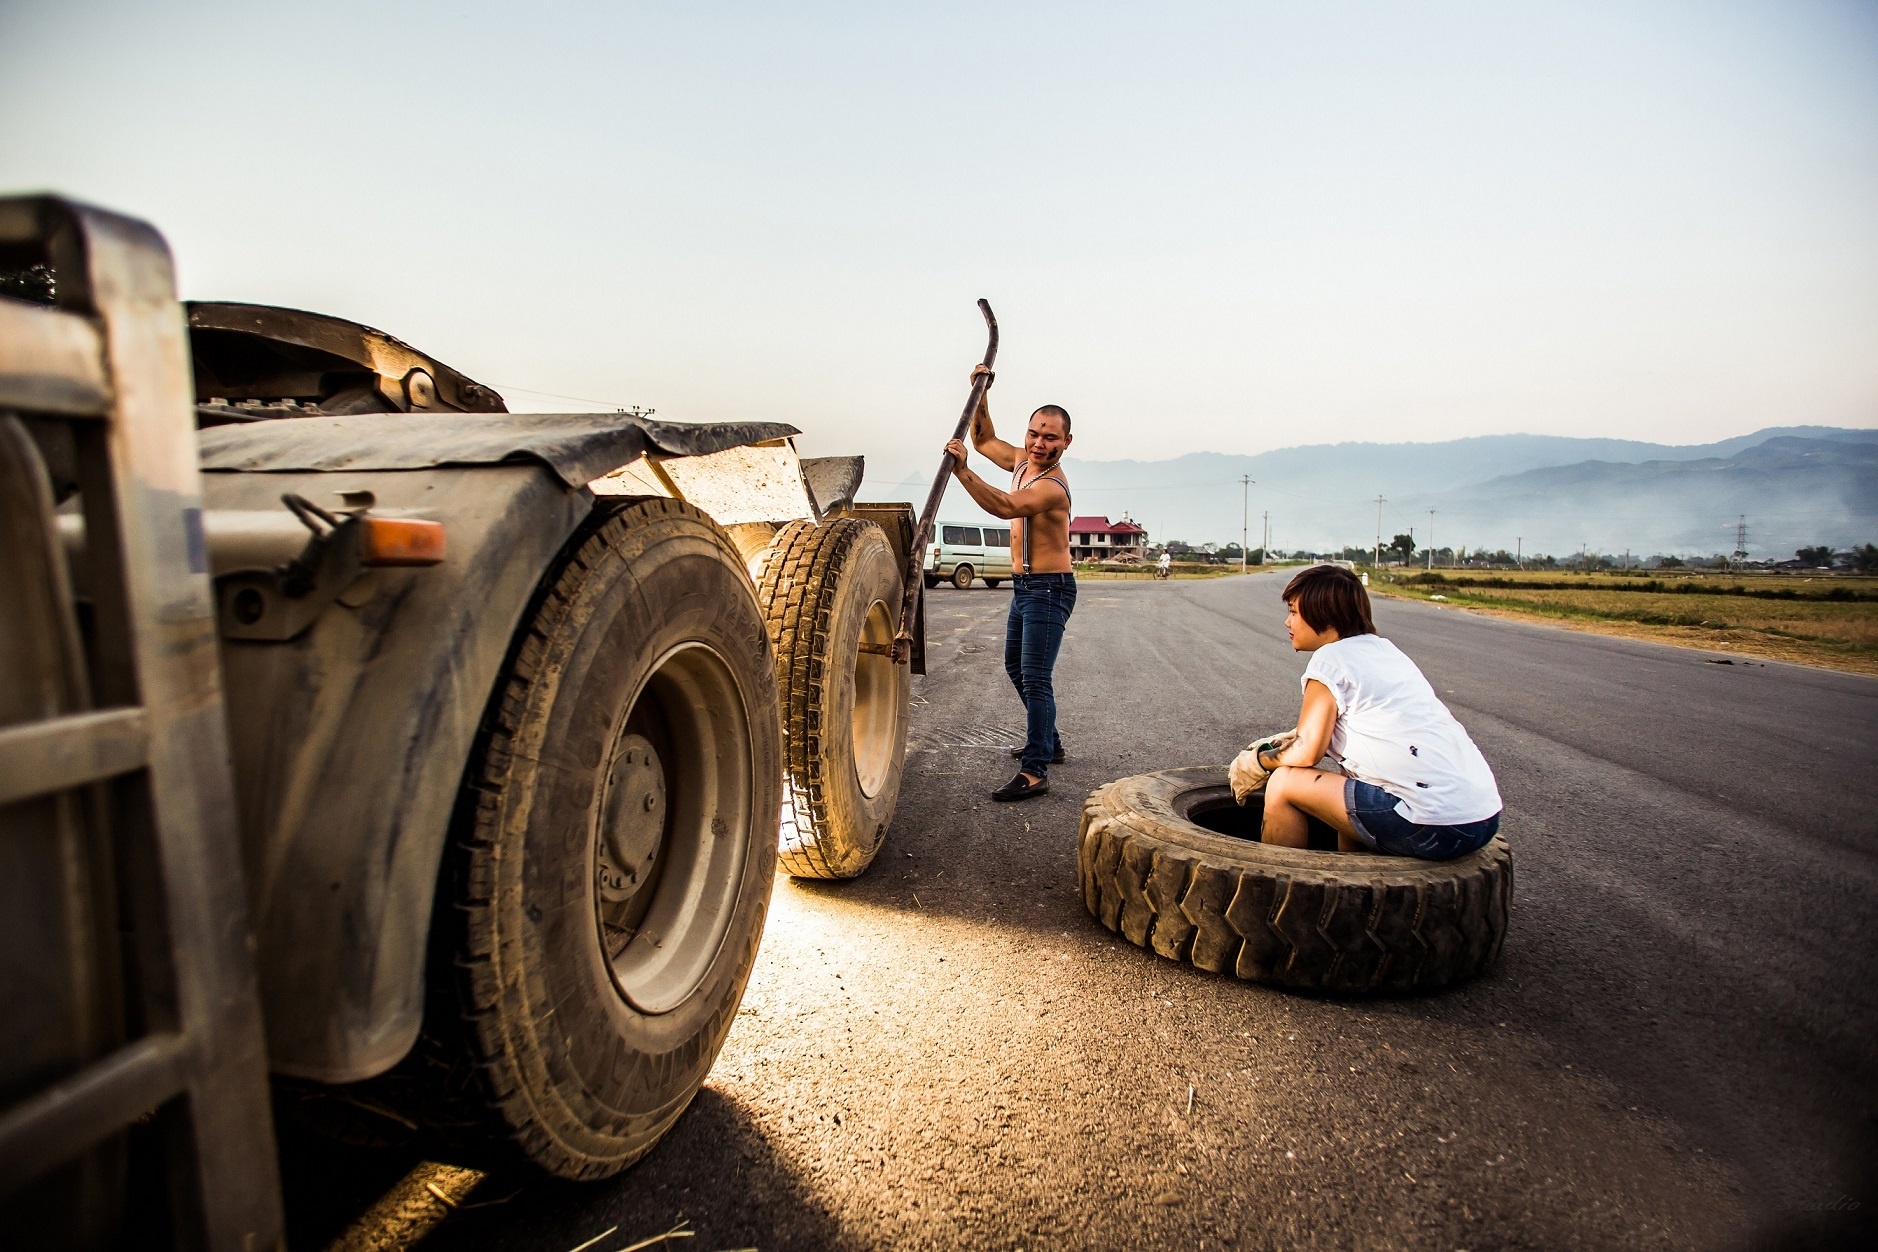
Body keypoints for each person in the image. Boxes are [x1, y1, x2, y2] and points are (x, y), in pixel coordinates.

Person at [1232, 563, 1502, 859]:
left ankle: (1280, 884)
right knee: (1354, 788)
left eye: (1294, 611)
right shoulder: (1386, 652)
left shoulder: (1330, 660)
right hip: (1482, 818)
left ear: (1324, 614)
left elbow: (1307, 753)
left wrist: (1258, 762)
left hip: (1429, 824)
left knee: (1284, 783)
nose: (1287, 622)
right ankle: (1353, 884)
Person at [943, 364, 1075, 802]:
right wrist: (980, 392)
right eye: (1035, 433)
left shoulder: (1052, 487)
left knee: (1036, 677)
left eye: (1050, 437)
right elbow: (982, 441)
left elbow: (1003, 506)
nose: (1040, 442)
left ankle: (1035, 768)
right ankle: (1049, 742)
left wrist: (962, 473)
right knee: (1017, 668)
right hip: (1023, 589)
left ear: (1066, 442)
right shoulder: (1021, 461)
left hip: (1049, 588)